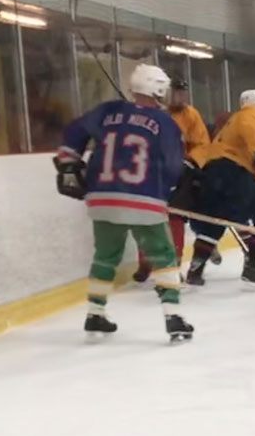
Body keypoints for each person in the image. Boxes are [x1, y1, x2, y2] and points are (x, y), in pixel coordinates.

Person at [53, 64, 194, 341]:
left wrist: (69, 165)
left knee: (105, 256)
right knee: (163, 257)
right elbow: (173, 166)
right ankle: (173, 316)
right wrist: (171, 187)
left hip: (103, 198)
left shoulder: (108, 111)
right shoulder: (165, 122)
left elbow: (74, 132)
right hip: (145, 200)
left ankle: (95, 313)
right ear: (160, 90)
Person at [186, 89, 255, 287]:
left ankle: (195, 270)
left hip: (212, 175)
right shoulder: (252, 113)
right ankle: (252, 269)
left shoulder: (232, 124)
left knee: (214, 222)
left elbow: (245, 163)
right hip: (233, 174)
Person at [131, 77, 212, 285]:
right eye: (176, 94)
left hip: (179, 173)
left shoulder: (191, 114)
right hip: (151, 173)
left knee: (175, 219)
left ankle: (173, 264)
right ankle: (145, 261)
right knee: (147, 217)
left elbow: (202, 143)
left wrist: (190, 161)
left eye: (184, 94)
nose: (181, 98)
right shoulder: (154, 113)